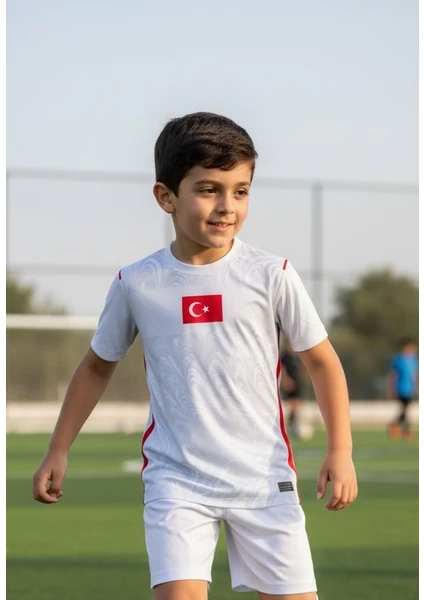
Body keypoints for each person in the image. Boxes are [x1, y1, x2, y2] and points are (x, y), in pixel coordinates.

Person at [33, 112, 358, 600]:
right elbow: (96, 367)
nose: (227, 206)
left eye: (241, 191)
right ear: (166, 196)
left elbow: (322, 362)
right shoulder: (137, 282)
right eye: (209, 189)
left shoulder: (272, 274)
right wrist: (58, 449)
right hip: (177, 480)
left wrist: (340, 451)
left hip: (262, 477)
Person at [387, 338, 418, 441]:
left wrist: (417, 387)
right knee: (405, 409)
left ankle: (399, 426)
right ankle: (403, 429)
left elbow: (415, 374)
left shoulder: (414, 360)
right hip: (401, 388)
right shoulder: (398, 360)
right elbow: (393, 375)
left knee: (405, 410)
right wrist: (391, 388)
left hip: (410, 388)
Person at [280, 342, 305, 439]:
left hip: (297, 382)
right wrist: (285, 380)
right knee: (290, 403)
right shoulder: (285, 357)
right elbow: (282, 369)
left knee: (297, 403)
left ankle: (293, 422)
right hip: (289, 382)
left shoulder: (296, 356)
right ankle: (289, 423)